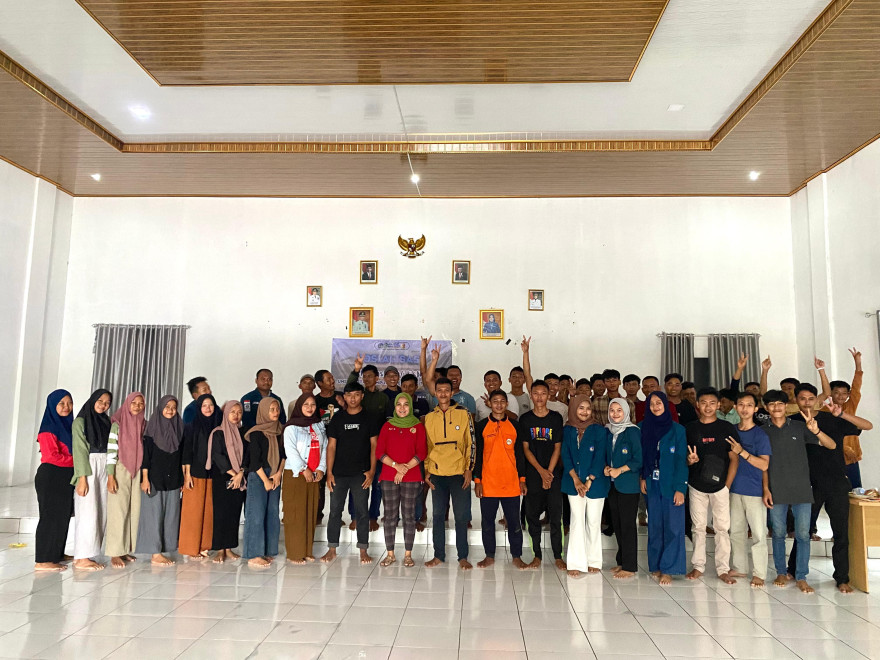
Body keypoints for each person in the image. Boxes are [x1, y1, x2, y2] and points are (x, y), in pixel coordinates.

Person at [786, 382, 872, 593]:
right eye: (802, 398)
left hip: (836, 482)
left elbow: (867, 425)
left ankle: (842, 578)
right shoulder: (792, 422)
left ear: (817, 399)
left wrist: (841, 414)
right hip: (808, 484)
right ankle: (793, 569)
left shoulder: (831, 418)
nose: (807, 403)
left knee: (840, 532)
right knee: (804, 530)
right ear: (796, 400)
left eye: (811, 398)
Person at [761, 390, 834, 593]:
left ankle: (801, 576)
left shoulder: (800, 427)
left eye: (780, 404)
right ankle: (781, 572)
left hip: (801, 488)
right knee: (778, 533)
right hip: (776, 489)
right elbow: (762, 465)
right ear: (766, 408)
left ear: (787, 406)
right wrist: (765, 489)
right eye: (772, 404)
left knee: (803, 534)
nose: (776, 407)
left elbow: (831, 445)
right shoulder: (762, 431)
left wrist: (816, 431)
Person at [685, 387, 739, 584]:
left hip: (720, 486)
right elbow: (684, 458)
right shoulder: (690, 428)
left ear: (718, 405)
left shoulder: (727, 428)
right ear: (697, 405)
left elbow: (734, 458)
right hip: (696, 485)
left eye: (712, 403)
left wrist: (727, 485)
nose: (708, 407)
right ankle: (698, 566)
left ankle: (723, 569)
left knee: (722, 528)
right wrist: (690, 460)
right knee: (698, 527)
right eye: (703, 403)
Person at [321, 382, 377, 565]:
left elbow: (374, 446)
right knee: (335, 511)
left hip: (361, 474)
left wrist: (372, 471)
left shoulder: (369, 418)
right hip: (338, 474)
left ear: (362, 396)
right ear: (344, 397)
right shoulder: (337, 419)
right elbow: (331, 446)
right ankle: (332, 549)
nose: (353, 398)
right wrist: (329, 472)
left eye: (356, 394)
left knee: (362, 512)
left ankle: (363, 550)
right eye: (349, 395)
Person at [424, 376, 475, 570]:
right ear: (435, 393)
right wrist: (427, 470)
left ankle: (463, 556)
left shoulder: (464, 414)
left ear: (452, 392)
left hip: (459, 473)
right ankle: (438, 555)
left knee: (461, 516)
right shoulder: (429, 418)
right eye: (440, 391)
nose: (443, 394)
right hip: (437, 473)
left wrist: (469, 469)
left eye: (447, 390)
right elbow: (427, 446)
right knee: (438, 515)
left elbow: (471, 444)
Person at [474, 390, 528, 570]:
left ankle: (517, 556)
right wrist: (477, 481)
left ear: (507, 404)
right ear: (489, 403)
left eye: (502, 401)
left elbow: (520, 455)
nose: (498, 404)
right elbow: (477, 455)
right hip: (488, 483)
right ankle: (489, 555)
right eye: (495, 401)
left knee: (514, 522)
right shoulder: (481, 426)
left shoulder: (515, 425)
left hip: (511, 483)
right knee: (487, 522)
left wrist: (522, 479)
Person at [639, 392, 687, 585]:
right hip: (652, 482)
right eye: (651, 404)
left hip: (671, 483)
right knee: (655, 525)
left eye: (659, 403)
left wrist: (680, 488)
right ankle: (657, 565)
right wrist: (643, 476)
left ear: (666, 405)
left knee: (673, 526)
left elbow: (681, 460)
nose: (655, 407)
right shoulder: (642, 427)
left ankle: (669, 569)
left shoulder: (678, 430)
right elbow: (642, 456)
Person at [377, 393, 428, 568]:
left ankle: (408, 554)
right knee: (390, 516)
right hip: (389, 476)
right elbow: (379, 452)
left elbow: (422, 452)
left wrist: (404, 469)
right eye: (399, 404)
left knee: (409, 516)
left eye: (406, 404)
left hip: (412, 477)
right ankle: (390, 554)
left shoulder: (418, 426)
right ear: (395, 407)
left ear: (411, 407)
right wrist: (396, 466)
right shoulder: (387, 426)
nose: (402, 408)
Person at [520, 378, 565, 570]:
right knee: (532, 516)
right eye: (536, 393)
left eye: (543, 393)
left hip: (554, 474)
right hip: (533, 474)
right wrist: (541, 472)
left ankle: (558, 556)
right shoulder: (525, 419)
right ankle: (536, 555)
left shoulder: (556, 418)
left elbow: (557, 448)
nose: (539, 397)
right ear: (531, 395)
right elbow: (526, 449)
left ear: (549, 395)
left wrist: (549, 473)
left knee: (556, 516)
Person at [727, 392, 771, 588]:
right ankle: (740, 567)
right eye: (741, 404)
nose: (744, 409)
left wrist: (742, 452)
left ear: (756, 409)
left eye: (749, 405)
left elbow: (764, 465)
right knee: (736, 531)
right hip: (733, 488)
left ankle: (759, 573)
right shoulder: (731, 431)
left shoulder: (760, 434)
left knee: (759, 534)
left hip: (754, 490)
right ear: (735, 407)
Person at [562, 394, 609, 577]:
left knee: (594, 522)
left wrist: (589, 480)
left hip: (595, 484)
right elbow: (565, 455)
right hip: (573, 483)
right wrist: (576, 479)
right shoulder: (567, 430)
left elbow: (600, 457)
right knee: (577, 521)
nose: (584, 412)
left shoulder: (599, 430)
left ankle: (593, 561)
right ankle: (575, 563)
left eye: (588, 408)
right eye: (580, 408)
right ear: (574, 409)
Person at [347, 355, 393, 529]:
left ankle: (373, 516)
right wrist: (356, 370)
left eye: (370, 376)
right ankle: (355, 516)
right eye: (364, 376)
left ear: (377, 378)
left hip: (379, 447)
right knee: (357, 483)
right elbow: (349, 387)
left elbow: (388, 423)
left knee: (377, 483)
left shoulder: (383, 398)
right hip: (359, 447)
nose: (366, 379)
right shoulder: (359, 396)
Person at [136, 395, 184, 566]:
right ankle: (155, 554)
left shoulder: (180, 428)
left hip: (174, 479)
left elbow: (182, 456)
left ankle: (166, 548)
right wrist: (145, 478)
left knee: (171, 516)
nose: (170, 410)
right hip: (155, 478)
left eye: (173, 407)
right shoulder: (152, 428)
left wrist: (182, 478)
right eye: (167, 407)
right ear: (160, 408)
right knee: (153, 515)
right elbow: (146, 457)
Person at [71, 388, 113, 571]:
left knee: (101, 511)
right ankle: (81, 557)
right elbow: (79, 451)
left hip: (104, 465)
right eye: (100, 401)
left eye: (107, 403)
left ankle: (91, 552)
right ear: (93, 400)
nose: (103, 405)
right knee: (87, 511)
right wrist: (82, 479)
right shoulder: (80, 422)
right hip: (88, 467)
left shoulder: (106, 421)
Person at [283, 393, 327, 565]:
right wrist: (303, 469)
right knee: (296, 514)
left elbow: (324, 448)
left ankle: (307, 550)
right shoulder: (291, 427)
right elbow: (290, 451)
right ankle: (294, 553)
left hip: (314, 475)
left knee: (310, 513)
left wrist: (321, 469)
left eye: (313, 404)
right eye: (306, 404)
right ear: (299, 406)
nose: (310, 408)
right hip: (296, 475)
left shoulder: (318, 425)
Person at [34, 389, 75, 572]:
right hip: (51, 476)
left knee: (62, 516)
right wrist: (79, 461)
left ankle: (56, 553)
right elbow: (52, 457)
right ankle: (43, 560)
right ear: (52, 406)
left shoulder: (69, 426)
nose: (66, 407)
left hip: (65, 477)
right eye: (61, 403)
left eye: (69, 403)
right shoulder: (48, 429)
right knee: (50, 518)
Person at [242, 398, 286, 567]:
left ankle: (267, 551)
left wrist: (278, 474)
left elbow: (284, 455)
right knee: (256, 514)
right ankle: (254, 554)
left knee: (272, 514)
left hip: (275, 474)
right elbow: (254, 460)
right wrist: (265, 480)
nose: (275, 412)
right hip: (259, 475)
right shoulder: (256, 433)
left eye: (277, 409)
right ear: (263, 411)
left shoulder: (280, 430)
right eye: (271, 409)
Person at [106, 391, 145, 568]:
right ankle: (114, 552)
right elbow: (111, 452)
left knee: (133, 510)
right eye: (133, 403)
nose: (137, 406)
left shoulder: (143, 424)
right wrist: (111, 476)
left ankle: (125, 549)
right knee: (118, 511)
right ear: (127, 404)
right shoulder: (118, 425)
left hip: (137, 471)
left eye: (140, 403)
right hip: (120, 469)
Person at [180, 393, 221, 560]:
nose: (208, 408)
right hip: (195, 474)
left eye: (210, 405)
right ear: (198, 408)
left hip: (214, 475)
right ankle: (191, 548)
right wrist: (187, 475)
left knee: (209, 512)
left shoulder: (219, 426)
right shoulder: (191, 427)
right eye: (204, 405)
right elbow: (186, 452)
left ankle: (205, 546)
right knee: (193, 512)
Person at [604, 399, 642, 579]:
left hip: (628, 485)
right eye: (612, 410)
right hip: (612, 484)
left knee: (627, 525)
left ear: (626, 412)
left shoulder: (633, 431)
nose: (615, 414)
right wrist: (606, 467)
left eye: (619, 410)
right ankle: (621, 561)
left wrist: (620, 470)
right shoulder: (608, 431)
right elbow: (606, 455)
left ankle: (630, 566)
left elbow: (639, 459)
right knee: (617, 524)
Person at [207, 401, 246, 563]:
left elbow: (247, 455)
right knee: (220, 513)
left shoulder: (243, 432)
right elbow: (218, 456)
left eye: (239, 412)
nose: (236, 415)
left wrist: (241, 473)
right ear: (226, 413)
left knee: (234, 513)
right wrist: (234, 474)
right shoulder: (218, 433)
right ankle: (219, 549)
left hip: (240, 478)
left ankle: (229, 548)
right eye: (232, 412)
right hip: (223, 477)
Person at [824, 347, 864, 487]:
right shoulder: (823, 410)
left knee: (856, 490)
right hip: (831, 457)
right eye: (837, 392)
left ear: (848, 395)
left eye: (844, 393)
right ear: (830, 393)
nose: (840, 396)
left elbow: (856, 386)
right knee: (836, 489)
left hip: (851, 457)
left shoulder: (850, 406)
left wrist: (857, 363)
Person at [313, 368, 343, 524]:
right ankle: (317, 515)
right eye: (328, 379)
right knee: (319, 482)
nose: (332, 381)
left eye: (332, 378)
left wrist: (343, 405)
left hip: (339, 447)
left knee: (335, 483)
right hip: (319, 448)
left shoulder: (340, 397)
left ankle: (336, 516)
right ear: (320, 383)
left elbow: (351, 415)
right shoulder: (315, 401)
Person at [419, 336, 477, 414]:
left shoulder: (468, 398)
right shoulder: (439, 394)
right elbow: (428, 379)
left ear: (461, 378)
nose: (454, 377)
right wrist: (434, 360)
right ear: (446, 377)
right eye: (451, 375)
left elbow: (471, 419)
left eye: (457, 375)